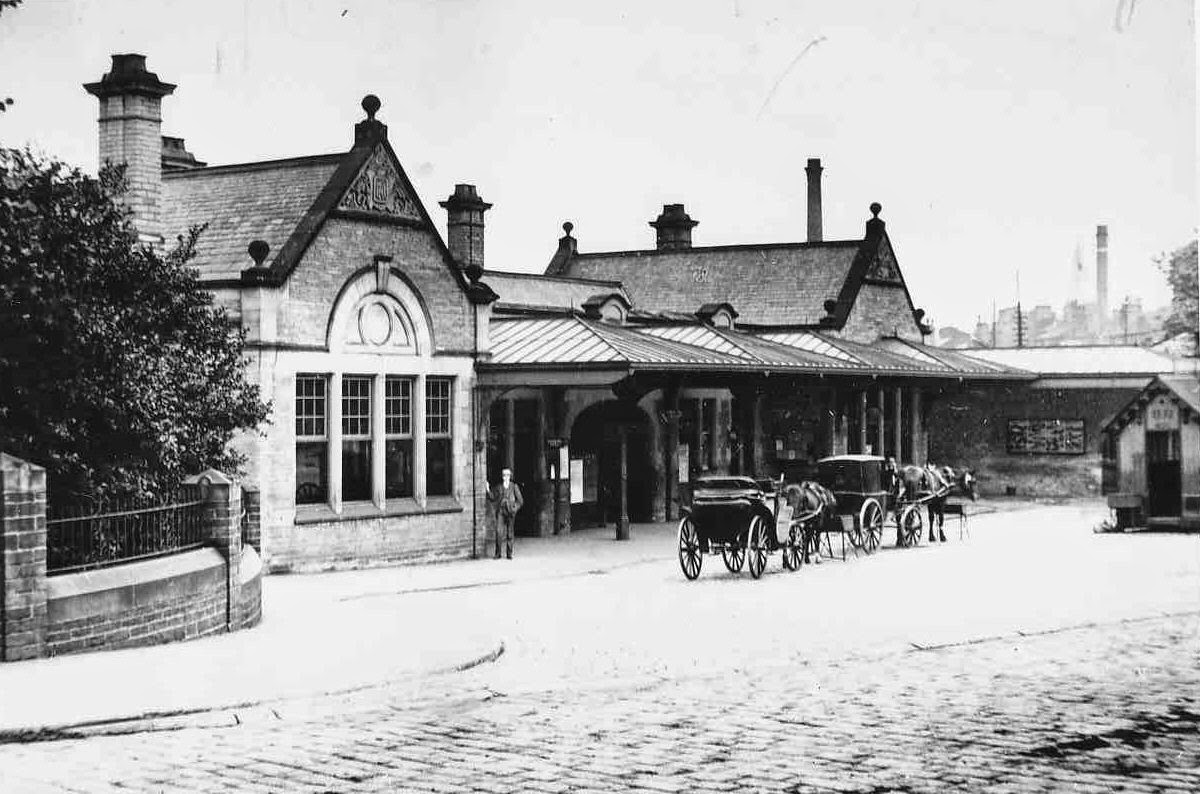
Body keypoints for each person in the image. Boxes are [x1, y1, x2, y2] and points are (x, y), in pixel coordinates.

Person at [487, 468, 523, 560]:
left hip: (510, 511)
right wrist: (487, 489)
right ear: (502, 477)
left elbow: (520, 501)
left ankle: (509, 553)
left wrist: (514, 508)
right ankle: (498, 553)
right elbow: (493, 497)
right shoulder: (499, 487)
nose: (505, 477)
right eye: (504, 475)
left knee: (510, 533)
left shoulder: (514, 487)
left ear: (510, 476)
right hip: (501, 511)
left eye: (507, 475)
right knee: (499, 532)